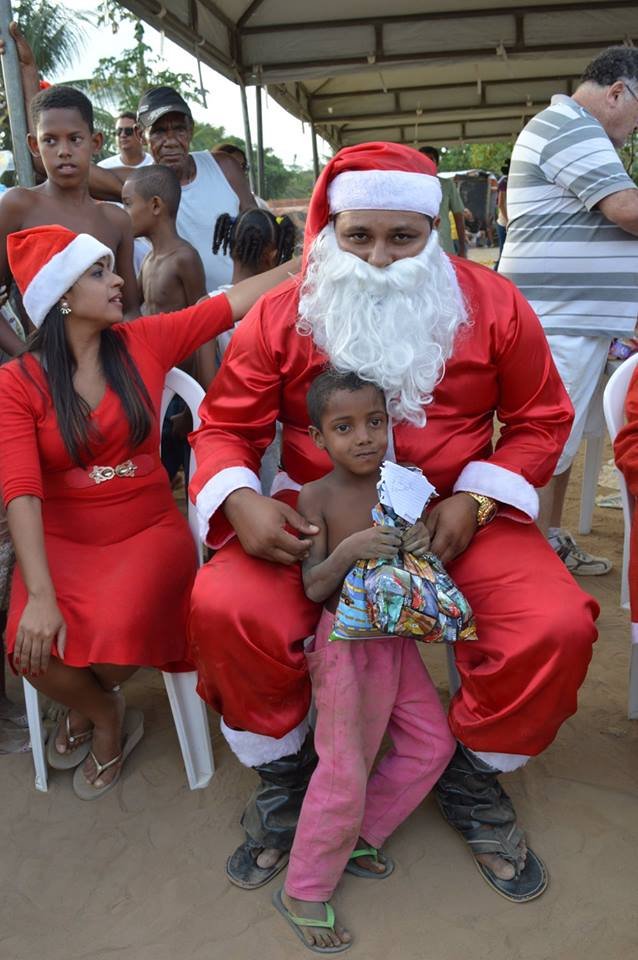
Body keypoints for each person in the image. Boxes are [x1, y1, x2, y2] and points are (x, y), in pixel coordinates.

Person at [188, 141, 598, 903]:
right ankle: (286, 772)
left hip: (459, 517)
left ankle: (473, 774)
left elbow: (543, 419)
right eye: (359, 237)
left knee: (554, 624)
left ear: (431, 232)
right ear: (332, 232)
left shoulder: (494, 304)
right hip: (316, 520)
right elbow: (221, 429)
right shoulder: (285, 311)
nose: (379, 257)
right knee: (225, 605)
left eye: (401, 237)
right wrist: (240, 500)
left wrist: (476, 500)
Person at [0, 223, 298, 800]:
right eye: (98, 272)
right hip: (62, 540)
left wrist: (316, 259)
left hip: (146, 529)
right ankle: (101, 707)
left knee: (119, 629)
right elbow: (21, 491)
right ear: (61, 296)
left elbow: (230, 303)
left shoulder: (143, 341)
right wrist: (39, 594)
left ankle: (98, 714)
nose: (118, 281)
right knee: (28, 646)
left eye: (112, 268)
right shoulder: (18, 383)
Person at [274, 369, 455, 952]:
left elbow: (415, 551)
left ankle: (361, 833)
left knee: (433, 744)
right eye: (344, 427)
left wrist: (421, 541)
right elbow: (313, 586)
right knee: (342, 767)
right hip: (346, 649)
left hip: (396, 639)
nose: (364, 437)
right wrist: (352, 548)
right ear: (318, 437)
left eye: (374, 422)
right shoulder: (316, 497)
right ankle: (304, 886)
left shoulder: (402, 485)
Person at [499, 46, 638, 575]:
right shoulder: (572, 126)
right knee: (545, 440)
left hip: (568, 317)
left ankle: (546, 541)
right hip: (558, 319)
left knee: (560, 438)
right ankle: (526, 566)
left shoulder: (573, 127)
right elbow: (626, 210)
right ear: (618, 91)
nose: (636, 127)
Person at [0, 84, 139, 359]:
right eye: (50, 140)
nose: (64, 151)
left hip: (108, 364)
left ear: (95, 142)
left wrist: (125, 358)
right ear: (33, 145)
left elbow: (131, 307)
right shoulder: (18, 207)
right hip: (46, 365)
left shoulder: (116, 220)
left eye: (75, 139)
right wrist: (27, 359)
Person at [419, 146, 466, 257]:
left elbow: (458, 215)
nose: (426, 163)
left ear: (437, 163)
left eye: (430, 159)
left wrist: (463, 247)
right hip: (419, 246)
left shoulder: (447, 185)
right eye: (422, 159)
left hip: (444, 245)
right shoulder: (410, 186)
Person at [213, 143, 270, 210]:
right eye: (233, 165)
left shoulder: (258, 203)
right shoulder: (207, 199)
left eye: (243, 166)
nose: (239, 171)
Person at [494, 160, 509, 270]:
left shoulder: (510, 181)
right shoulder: (504, 182)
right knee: (503, 253)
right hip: (504, 223)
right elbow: (501, 204)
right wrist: (508, 221)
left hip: (509, 223)